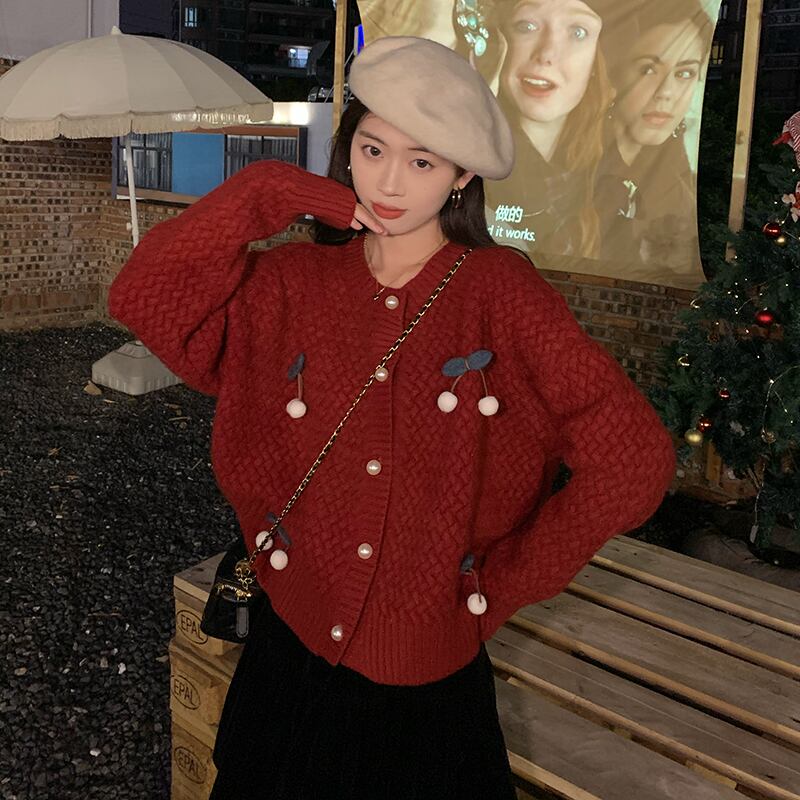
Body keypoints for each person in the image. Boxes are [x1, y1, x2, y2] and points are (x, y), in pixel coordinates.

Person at [108, 36, 676, 799]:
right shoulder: (295, 280)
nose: (389, 182)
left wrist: (499, 586)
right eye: (372, 149)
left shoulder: (502, 296)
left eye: (423, 161)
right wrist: (267, 190)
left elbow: (634, 461)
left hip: (424, 701)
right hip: (287, 659)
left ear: (462, 175)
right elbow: (142, 298)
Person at [466, 0, 617, 259]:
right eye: (527, 26)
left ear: (597, 60)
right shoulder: (465, 160)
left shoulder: (607, 175)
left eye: (578, 32)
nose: (547, 54)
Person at [596, 1, 714, 281]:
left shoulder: (683, 187)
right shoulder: (572, 159)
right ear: (615, 72)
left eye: (685, 73)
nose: (666, 92)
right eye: (648, 69)